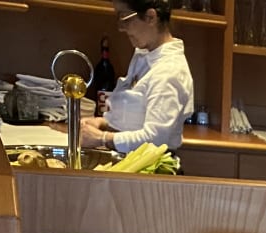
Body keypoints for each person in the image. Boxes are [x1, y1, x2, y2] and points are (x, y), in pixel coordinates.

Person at [81, 0, 194, 154]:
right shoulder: (144, 55)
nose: (121, 27)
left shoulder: (169, 71)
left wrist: (102, 138)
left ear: (150, 17)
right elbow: (133, 118)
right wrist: (103, 123)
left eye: (124, 17)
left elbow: (155, 139)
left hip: (150, 164)